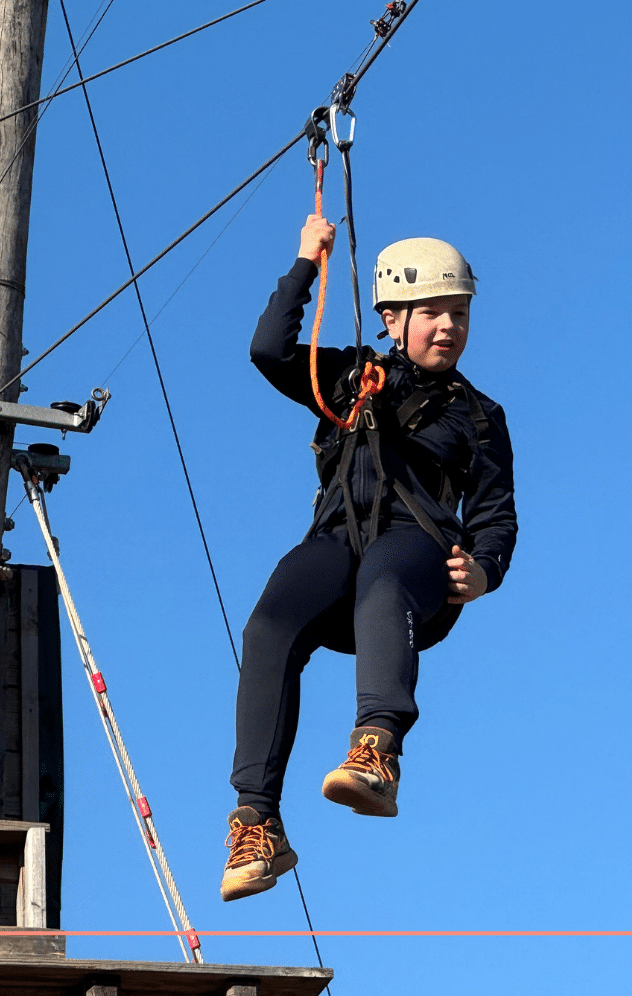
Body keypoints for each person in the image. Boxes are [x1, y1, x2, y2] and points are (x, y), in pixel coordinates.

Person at [221, 216, 517, 901]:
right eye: (433, 312)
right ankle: (257, 824)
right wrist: (305, 263)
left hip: (417, 555)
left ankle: (377, 751)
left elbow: (496, 513)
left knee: (385, 576)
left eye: (459, 313)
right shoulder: (352, 376)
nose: (449, 327)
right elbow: (269, 350)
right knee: (268, 625)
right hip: (337, 543)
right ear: (391, 318)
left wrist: (484, 569)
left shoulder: (478, 415)